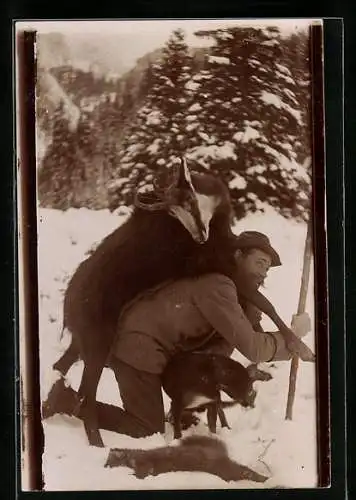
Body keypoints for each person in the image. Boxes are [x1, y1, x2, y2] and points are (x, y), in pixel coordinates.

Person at [43, 231, 312, 439]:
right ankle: (66, 402)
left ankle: (180, 411)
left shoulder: (230, 288)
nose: (263, 272)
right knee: (146, 429)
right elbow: (254, 348)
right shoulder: (218, 286)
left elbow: (244, 335)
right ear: (238, 256)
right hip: (138, 347)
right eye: (260, 262)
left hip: (149, 345)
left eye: (267, 268)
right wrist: (294, 336)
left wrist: (284, 332)